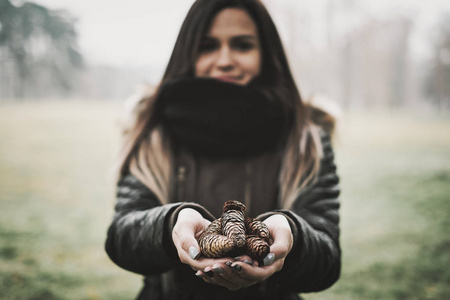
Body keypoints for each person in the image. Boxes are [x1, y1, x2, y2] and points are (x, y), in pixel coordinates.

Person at [105, 0, 341, 299]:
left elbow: (327, 261)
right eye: (207, 46)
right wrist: (170, 227)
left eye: (242, 45)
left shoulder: (306, 139)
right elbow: (121, 238)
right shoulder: (153, 131)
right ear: (187, 53)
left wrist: (292, 235)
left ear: (266, 55)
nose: (225, 60)